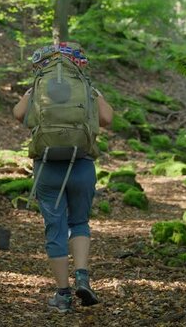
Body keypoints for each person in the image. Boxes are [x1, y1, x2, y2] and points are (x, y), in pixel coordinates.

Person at [12, 43, 113, 313]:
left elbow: (19, 115)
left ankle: (63, 295)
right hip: (81, 164)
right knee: (79, 222)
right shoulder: (86, 87)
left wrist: (29, 96)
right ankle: (82, 276)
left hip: (47, 166)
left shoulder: (39, 86)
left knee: (54, 226)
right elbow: (107, 118)